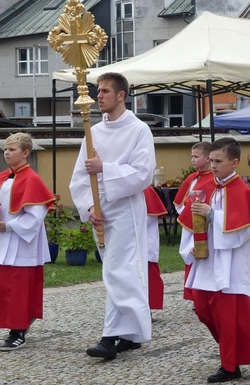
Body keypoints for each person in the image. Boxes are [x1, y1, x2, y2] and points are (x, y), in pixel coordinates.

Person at [69, 72, 156, 359]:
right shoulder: (93, 132)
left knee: (118, 270)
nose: (99, 95)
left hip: (126, 207)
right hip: (101, 210)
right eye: (98, 90)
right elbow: (80, 176)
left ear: (121, 95)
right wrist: (90, 207)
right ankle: (131, 334)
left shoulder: (139, 130)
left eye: (105, 90)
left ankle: (109, 338)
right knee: (118, 269)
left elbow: (143, 174)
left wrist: (106, 168)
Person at [184, 137, 250, 382]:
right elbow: (191, 222)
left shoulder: (243, 192)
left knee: (228, 316)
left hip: (231, 262)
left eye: (218, 161)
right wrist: (193, 244)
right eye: (210, 160)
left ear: (234, 163)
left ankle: (230, 366)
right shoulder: (206, 187)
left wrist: (213, 215)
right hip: (208, 258)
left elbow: (245, 231)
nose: (212, 166)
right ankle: (231, 352)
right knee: (202, 308)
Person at [0, 132, 54, 351]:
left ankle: (17, 331)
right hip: (0, 240)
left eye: (12, 149)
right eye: (5, 149)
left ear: (25, 153)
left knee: (18, 287)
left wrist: (9, 225)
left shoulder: (33, 180)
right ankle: (14, 324)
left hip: (22, 242)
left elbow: (36, 216)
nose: (7, 153)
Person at [174, 141, 213, 302]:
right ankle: (193, 294)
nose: (192, 160)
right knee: (190, 256)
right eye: (191, 156)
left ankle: (205, 293)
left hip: (207, 225)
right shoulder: (192, 178)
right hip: (191, 224)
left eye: (196, 156)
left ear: (208, 158)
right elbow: (180, 203)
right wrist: (186, 212)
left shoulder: (214, 179)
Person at [144, 185, 167, 310]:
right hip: (127, 241)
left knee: (148, 277)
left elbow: (149, 216)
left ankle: (147, 307)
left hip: (145, 240)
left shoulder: (146, 190)